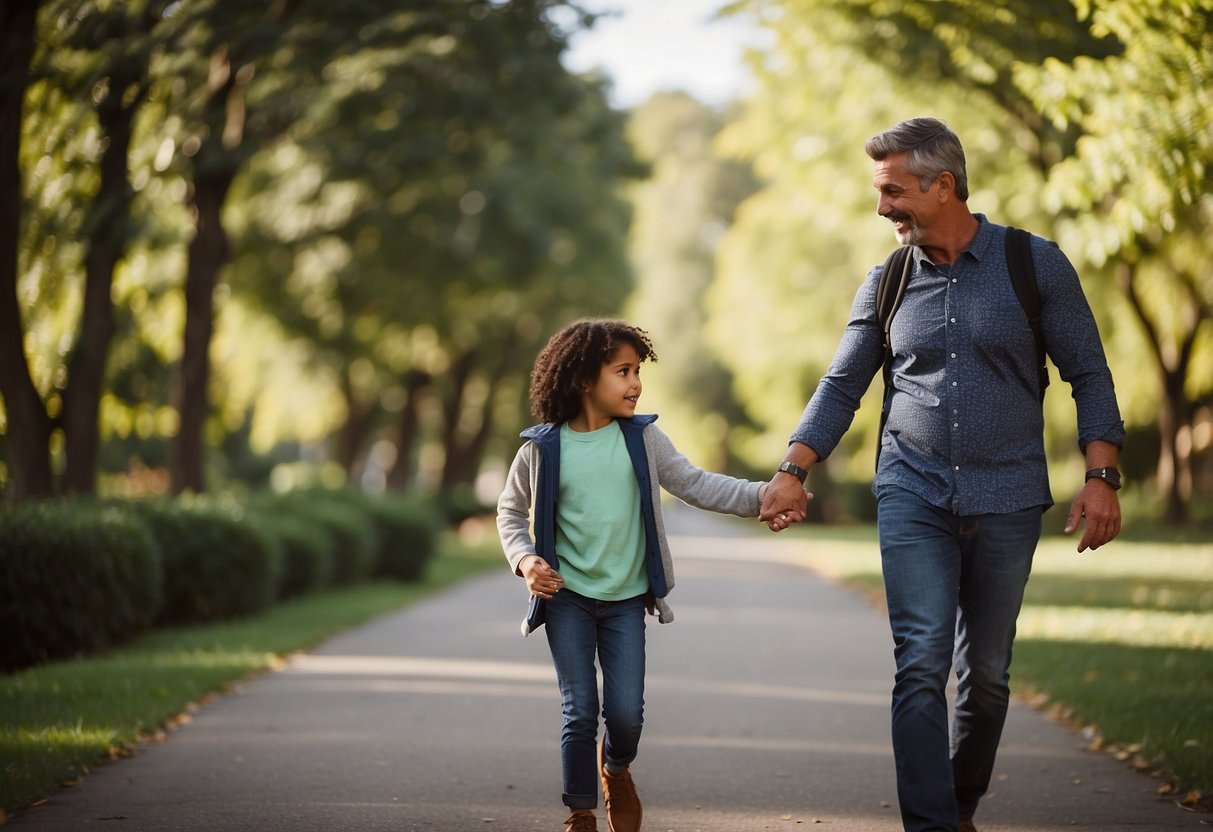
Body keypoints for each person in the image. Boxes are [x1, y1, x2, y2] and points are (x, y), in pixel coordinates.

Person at [760, 117, 1125, 832]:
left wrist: (1100, 476)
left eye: (893, 191)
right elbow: (842, 385)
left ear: (943, 185)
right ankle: (930, 825)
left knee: (985, 678)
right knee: (920, 663)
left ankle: (958, 805)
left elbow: (1088, 372)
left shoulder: (1034, 264)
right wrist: (792, 469)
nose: (882, 207)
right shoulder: (888, 279)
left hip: (1008, 495)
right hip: (912, 489)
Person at [497, 319, 772, 832]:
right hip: (568, 598)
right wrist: (525, 559)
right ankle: (580, 812)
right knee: (580, 710)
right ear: (583, 379)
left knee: (625, 717)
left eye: (637, 371)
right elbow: (510, 512)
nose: (635, 383)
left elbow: (696, 484)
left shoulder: (642, 439)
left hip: (625, 601)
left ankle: (616, 768)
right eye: (622, 371)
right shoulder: (542, 448)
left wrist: (763, 496)